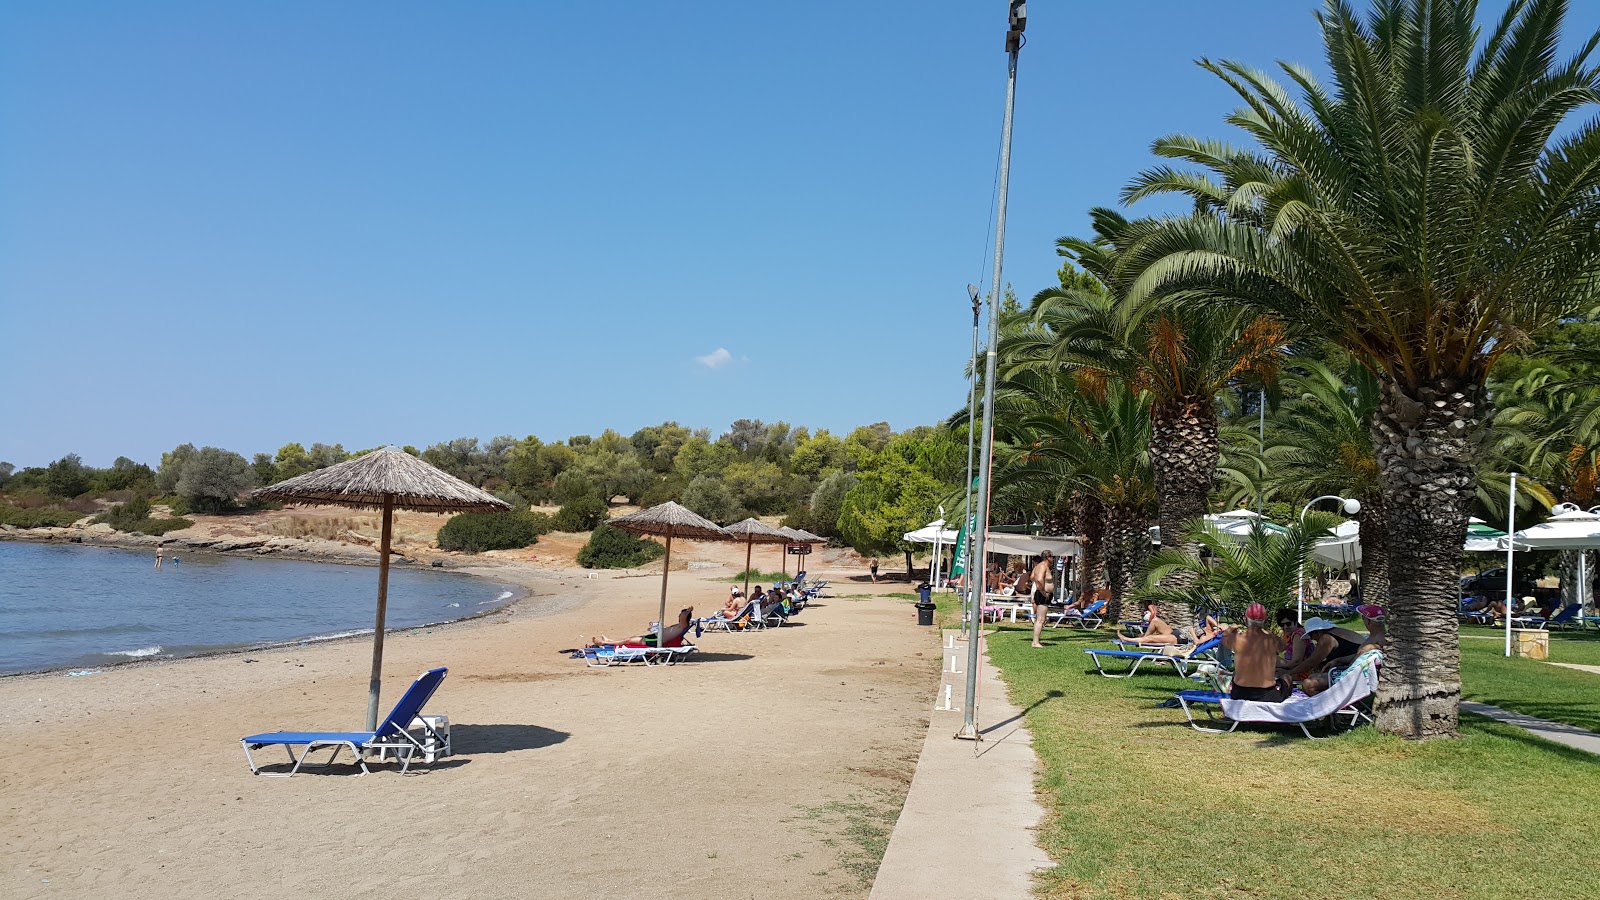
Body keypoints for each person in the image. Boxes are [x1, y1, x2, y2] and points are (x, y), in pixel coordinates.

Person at [1223, 603, 1292, 702]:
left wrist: (1230, 629)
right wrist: (1267, 632)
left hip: (1240, 693)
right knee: (1287, 677)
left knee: (1235, 673)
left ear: (1246, 619)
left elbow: (1224, 639)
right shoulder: (1271, 639)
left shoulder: (1237, 639)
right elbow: (1284, 646)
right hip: (1267, 695)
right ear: (1265, 620)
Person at [1284, 617, 1366, 677]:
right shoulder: (1335, 632)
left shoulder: (1326, 638)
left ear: (1318, 632)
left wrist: (1290, 672)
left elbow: (1311, 662)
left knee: (1310, 683)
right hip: (1356, 663)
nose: (1312, 638)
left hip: (1356, 668)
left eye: (1311, 635)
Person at [589, 607, 695, 649]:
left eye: (680, 615)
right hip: (654, 637)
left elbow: (684, 616)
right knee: (630, 638)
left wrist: (688, 610)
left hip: (656, 640)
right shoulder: (678, 626)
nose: (679, 616)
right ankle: (609, 641)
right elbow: (667, 631)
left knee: (628, 640)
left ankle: (605, 643)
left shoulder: (683, 625)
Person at [1029, 550, 1056, 648]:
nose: (1053, 559)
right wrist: (1043, 592)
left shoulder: (1040, 566)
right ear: (1048, 557)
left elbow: (1032, 577)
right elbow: (1039, 579)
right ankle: (1035, 642)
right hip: (1042, 594)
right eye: (1052, 557)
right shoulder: (1042, 566)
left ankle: (1036, 641)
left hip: (1042, 594)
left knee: (1040, 619)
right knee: (1040, 619)